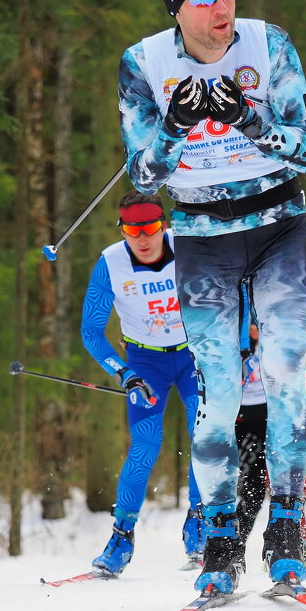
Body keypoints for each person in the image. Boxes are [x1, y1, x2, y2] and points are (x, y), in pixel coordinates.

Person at [118, 0, 306, 595]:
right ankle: (219, 544)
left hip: (278, 226)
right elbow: (144, 174)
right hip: (203, 238)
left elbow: (305, 149)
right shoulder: (143, 64)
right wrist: (176, 124)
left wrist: (248, 118)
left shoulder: (268, 44)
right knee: (219, 397)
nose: (223, 6)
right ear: (179, 11)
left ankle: (286, 535)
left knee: (287, 375)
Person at [80, 191, 203, 576]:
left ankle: (201, 525)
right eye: (133, 230)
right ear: (123, 230)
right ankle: (121, 537)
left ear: (163, 224)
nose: (143, 238)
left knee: (205, 438)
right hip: (145, 363)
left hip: (193, 356)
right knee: (145, 447)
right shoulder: (110, 263)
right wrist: (123, 371)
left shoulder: (189, 246)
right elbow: (91, 332)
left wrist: (240, 343)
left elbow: (233, 290)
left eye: (150, 228)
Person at [236, 318, 306, 544]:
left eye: (258, 324)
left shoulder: (279, 341)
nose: (255, 330)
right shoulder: (234, 343)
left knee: (289, 486)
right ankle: (233, 545)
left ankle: (293, 545)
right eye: (250, 326)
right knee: (252, 489)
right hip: (243, 423)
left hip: (276, 418)